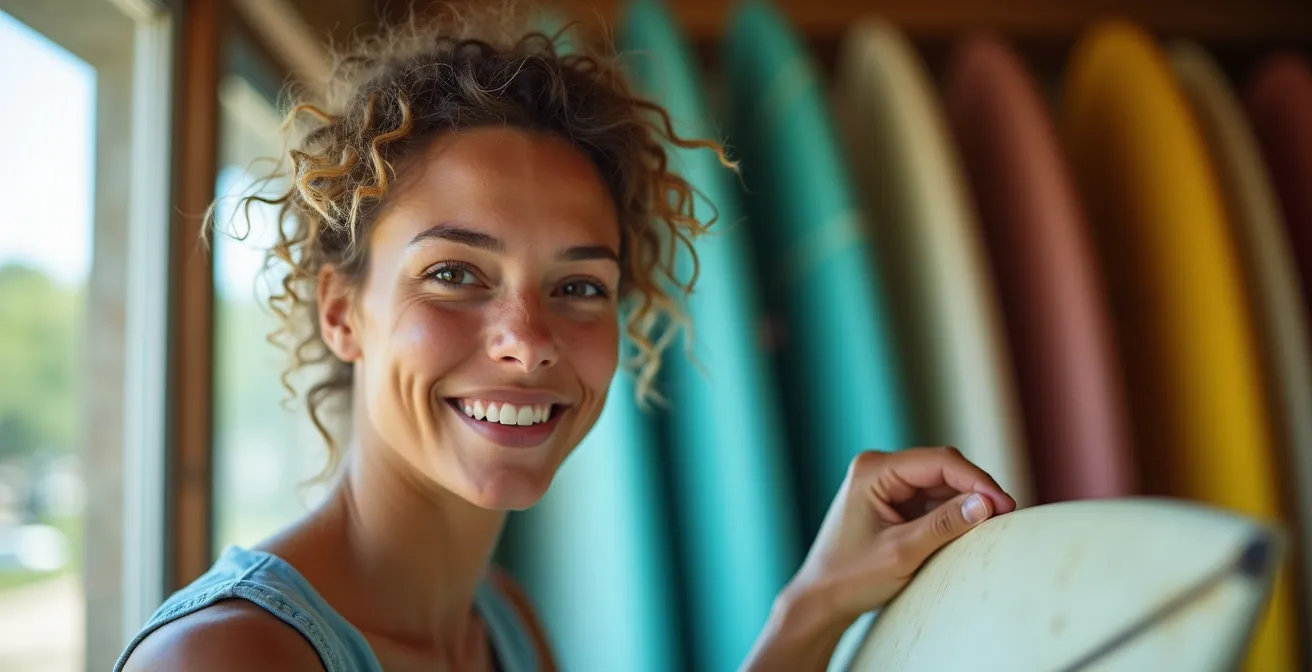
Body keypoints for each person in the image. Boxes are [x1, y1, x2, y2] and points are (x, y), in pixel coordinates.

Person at [115, 5, 1016, 671]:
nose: (528, 340)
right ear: (342, 313)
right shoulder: (224, 659)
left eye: (579, 286)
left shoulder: (501, 624)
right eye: (456, 274)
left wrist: (813, 607)